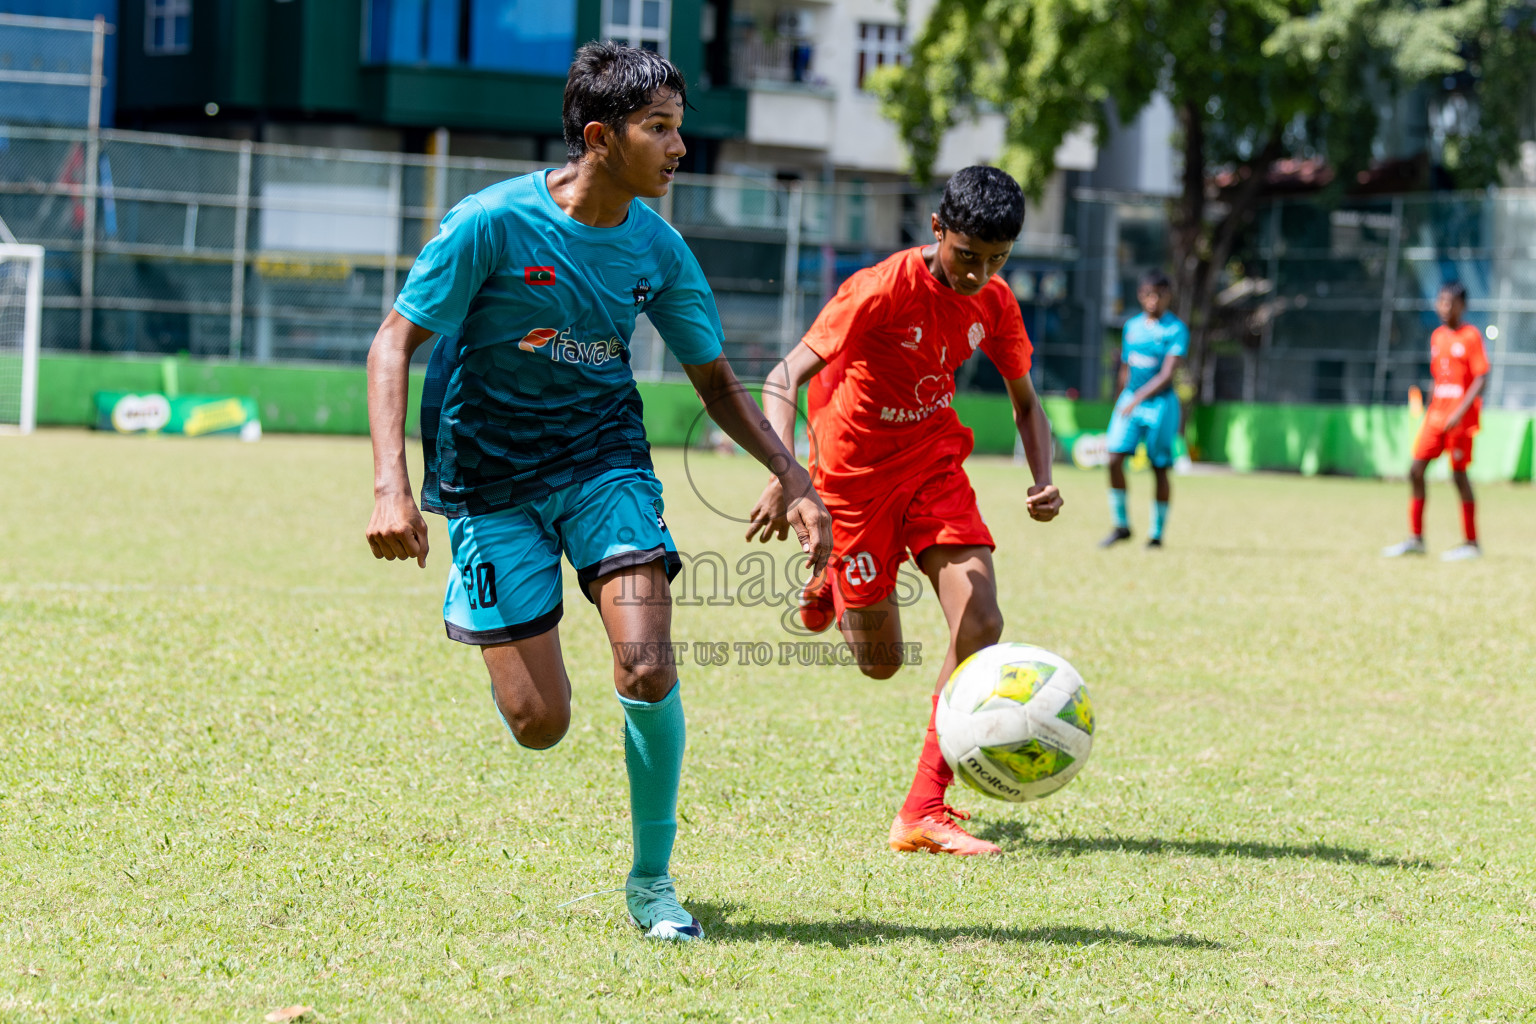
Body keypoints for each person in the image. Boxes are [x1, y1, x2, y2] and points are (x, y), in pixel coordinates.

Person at [364, 43, 832, 941]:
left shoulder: (658, 249)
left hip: (603, 459)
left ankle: (653, 883)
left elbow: (718, 384)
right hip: (488, 475)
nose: (678, 148)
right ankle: (496, 598)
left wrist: (793, 474)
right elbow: (394, 343)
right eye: (659, 129)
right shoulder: (489, 223)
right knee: (540, 724)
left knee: (648, 665)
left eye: (679, 128)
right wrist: (394, 487)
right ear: (599, 135)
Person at [746, 166, 1063, 856]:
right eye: (967, 256)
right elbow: (782, 376)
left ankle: (923, 807)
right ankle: (831, 575)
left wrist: (1043, 477)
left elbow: (1027, 404)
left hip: (932, 463)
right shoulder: (877, 290)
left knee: (981, 617)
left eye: (997, 260)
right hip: (852, 479)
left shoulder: (995, 302)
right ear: (938, 230)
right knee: (880, 663)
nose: (980, 274)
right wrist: (788, 474)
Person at [1383, 282, 1489, 561]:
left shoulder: (1470, 336)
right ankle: (1416, 539)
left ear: (1461, 306)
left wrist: (1458, 413)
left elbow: (1481, 378)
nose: (1443, 306)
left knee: (1458, 476)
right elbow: (1437, 377)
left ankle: (1471, 543)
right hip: (1436, 416)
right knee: (1415, 471)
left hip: (1459, 420)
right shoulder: (1437, 336)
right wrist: (1431, 408)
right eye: (1440, 301)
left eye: (1449, 302)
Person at [1100, 271, 1187, 549]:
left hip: (1160, 405)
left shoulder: (1175, 329)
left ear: (1168, 296)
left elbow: (1167, 374)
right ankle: (1121, 525)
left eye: (1160, 295)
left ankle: (1157, 534)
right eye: (1149, 294)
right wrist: (1120, 400)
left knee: (1159, 467)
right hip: (1129, 402)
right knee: (1113, 458)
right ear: (1141, 295)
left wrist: (1137, 398)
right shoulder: (1132, 327)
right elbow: (1125, 368)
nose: (1154, 300)